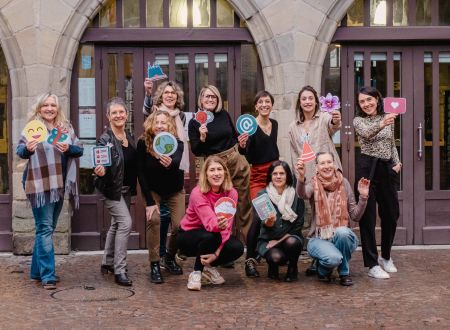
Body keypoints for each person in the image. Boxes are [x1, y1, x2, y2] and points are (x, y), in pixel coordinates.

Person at [16, 93, 83, 290]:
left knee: (46, 229)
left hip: (59, 185)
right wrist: (28, 149)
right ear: (39, 108)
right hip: (38, 184)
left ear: (57, 108)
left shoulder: (65, 128)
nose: (49, 108)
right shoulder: (33, 128)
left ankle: (36, 271)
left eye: (53, 105)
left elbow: (79, 149)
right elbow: (20, 151)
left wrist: (68, 148)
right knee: (45, 228)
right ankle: (48, 275)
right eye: (45, 105)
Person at [188, 85, 251, 244]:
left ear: (218, 100)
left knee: (244, 204)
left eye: (213, 97)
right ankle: (223, 246)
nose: (210, 99)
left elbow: (235, 138)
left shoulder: (224, 115)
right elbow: (196, 150)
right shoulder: (195, 121)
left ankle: (249, 248)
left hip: (235, 158)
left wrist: (242, 144)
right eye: (207, 96)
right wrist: (202, 138)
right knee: (221, 207)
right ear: (201, 99)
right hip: (216, 165)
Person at [297, 152, 369, 286]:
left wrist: (363, 198)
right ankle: (323, 269)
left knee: (342, 232)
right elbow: (303, 194)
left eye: (329, 162)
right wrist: (301, 178)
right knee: (333, 259)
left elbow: (355, 215)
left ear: (334, 164)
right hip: (318, 239)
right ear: (317, 167)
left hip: (342, 239)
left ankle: (344, 273)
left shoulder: (344, 183)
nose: (326, 166)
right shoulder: (314, 183)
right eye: (322, 163)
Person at [353, 86, 402, 279]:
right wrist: (382, 123)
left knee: (392, 214)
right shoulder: (358, 121)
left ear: (377, 99)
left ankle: (386, 256)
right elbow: (366, 133)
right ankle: (372, 264)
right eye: (362, 101)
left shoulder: (387, 118)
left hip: (387, 168)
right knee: (368, 218)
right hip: (367, 167)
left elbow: (391, 143)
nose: (366, 104)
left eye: (369, 100)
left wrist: (397, 163)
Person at [177, 156, 244, 291]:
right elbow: (210, 223)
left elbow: (227, 227)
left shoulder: (231, 193)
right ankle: (197, 273)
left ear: (225, 172)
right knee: (211, 236)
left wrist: (217, 254)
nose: (216, 173)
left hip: (214, 235)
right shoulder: (198, 193)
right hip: (189, 235)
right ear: (205, 174)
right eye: (212, 170)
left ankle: (208, 266)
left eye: (219, 169)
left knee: (237, 247)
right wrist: (219, 227)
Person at [137, 110, 184, 284]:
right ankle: (155, 263)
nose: (159, 126)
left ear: (169, 125)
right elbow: (141, 173)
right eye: (156, 122)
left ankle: (170, 257)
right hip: (153, 190)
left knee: (180, 226)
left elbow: (178, 163)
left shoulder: (177, 143)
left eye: (163, 122)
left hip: (174, 189)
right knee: (154, 219)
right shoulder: (143, 143)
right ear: (151, 124)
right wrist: (149, 202)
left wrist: (171, 163)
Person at [143, 79, 189, 261]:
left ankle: (169, 254)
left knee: (176, 222)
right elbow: (146, 110)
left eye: (173, 93)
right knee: (159, 218)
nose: (170, 95)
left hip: (175, 170)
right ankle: (159, 254)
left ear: (177, 96)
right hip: (156, 177)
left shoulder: (182, 116)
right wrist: (147, 93)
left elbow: (182, 142)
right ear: (161, 96)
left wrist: (175, 162)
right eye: (166, 92)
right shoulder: (154, 112)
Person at [94, 97, 137, 287]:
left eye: (121, 112)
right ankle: (119, 269)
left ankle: (107, 262)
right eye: (114, 113)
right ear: (108, 116)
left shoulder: (129, 135)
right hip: (111, 189)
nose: (118, 115)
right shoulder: (105, 139)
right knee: (126, 223)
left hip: (126, 189)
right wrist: (100, 170)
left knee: (115, 225)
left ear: (126, 115)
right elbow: (100, 164)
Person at [238, 90, 280, 278]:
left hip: (275, 175)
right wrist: (241, 144)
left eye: (267, 102)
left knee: (275, 215)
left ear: (271, 104)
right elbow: (244, 152)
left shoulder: (275, 124)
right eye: (261, 102)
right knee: (259, 216)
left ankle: (270, 254)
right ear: (255, 106)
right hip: (257, 175)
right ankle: (250, 259)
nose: (264, 105)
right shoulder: (250, 126)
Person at [255, 161, 305, 282]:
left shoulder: (297, 195)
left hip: (290, 238)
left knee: (292, 242)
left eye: (282, 173)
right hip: (268, 239)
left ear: (287, 175)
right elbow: (264, 226)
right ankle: (273, 266)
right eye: (275, 173)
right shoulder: (262, 196)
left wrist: (278, 241)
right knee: (276, 258)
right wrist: (269, 221)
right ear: (270, 177)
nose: (278, 176)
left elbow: (297, 227)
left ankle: (292, 267)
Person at [288, 85, 342, 183]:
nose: (307, 101)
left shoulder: (324, 117)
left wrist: (335, 121)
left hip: (329, 175)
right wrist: (300, 178)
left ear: (316, 102)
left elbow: (333, 125)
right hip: (308, 177)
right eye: (304, 99)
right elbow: (294, 154)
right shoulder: (293, 127)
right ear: (300, 103)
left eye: (310, 98)